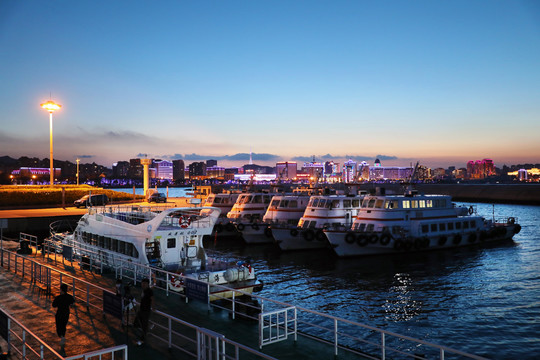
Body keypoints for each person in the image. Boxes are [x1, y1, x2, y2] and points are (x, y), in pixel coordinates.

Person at [134, 278, 153, 346]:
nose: (143, 285)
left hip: (146, 310)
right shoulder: (144, 290)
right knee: (137, 323)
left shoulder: (149, 291)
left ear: (147, 284)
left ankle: (142, 339)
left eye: (144, 283)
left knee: (144, 325)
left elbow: (152, 298)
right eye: (142, 283)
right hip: (141, 309)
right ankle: (141, 336)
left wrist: (153, 307)